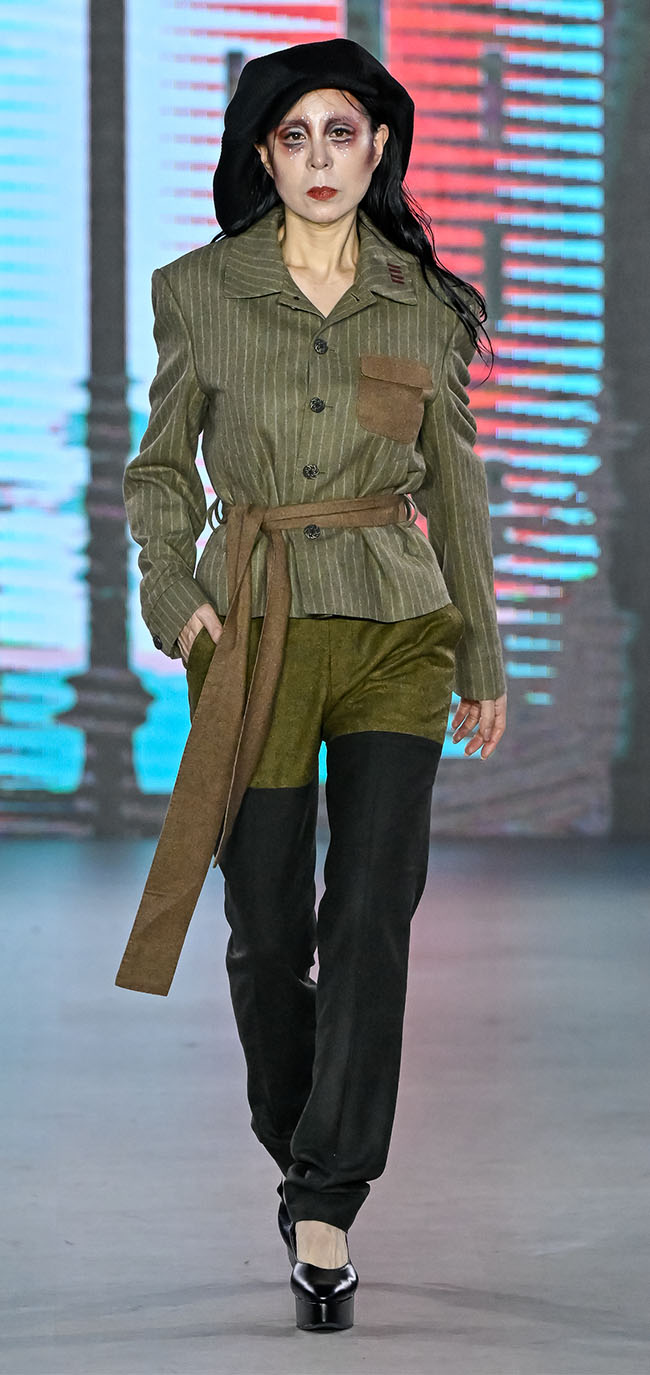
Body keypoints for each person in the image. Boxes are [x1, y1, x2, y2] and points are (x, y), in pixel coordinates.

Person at [115, 37, 507, 1331]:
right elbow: (160, 468)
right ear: (263, 153)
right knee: (270, 929)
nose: (321, 158)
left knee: (373, 913)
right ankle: (303, 1149)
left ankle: (329, 1195)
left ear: (379, 145)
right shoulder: (201, 290)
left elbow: (456, 491)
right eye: (295, 136)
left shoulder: (424, 303)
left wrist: (480, 653)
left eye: (343, 133)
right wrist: (175, 597)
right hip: (257, 628)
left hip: (396, 627)